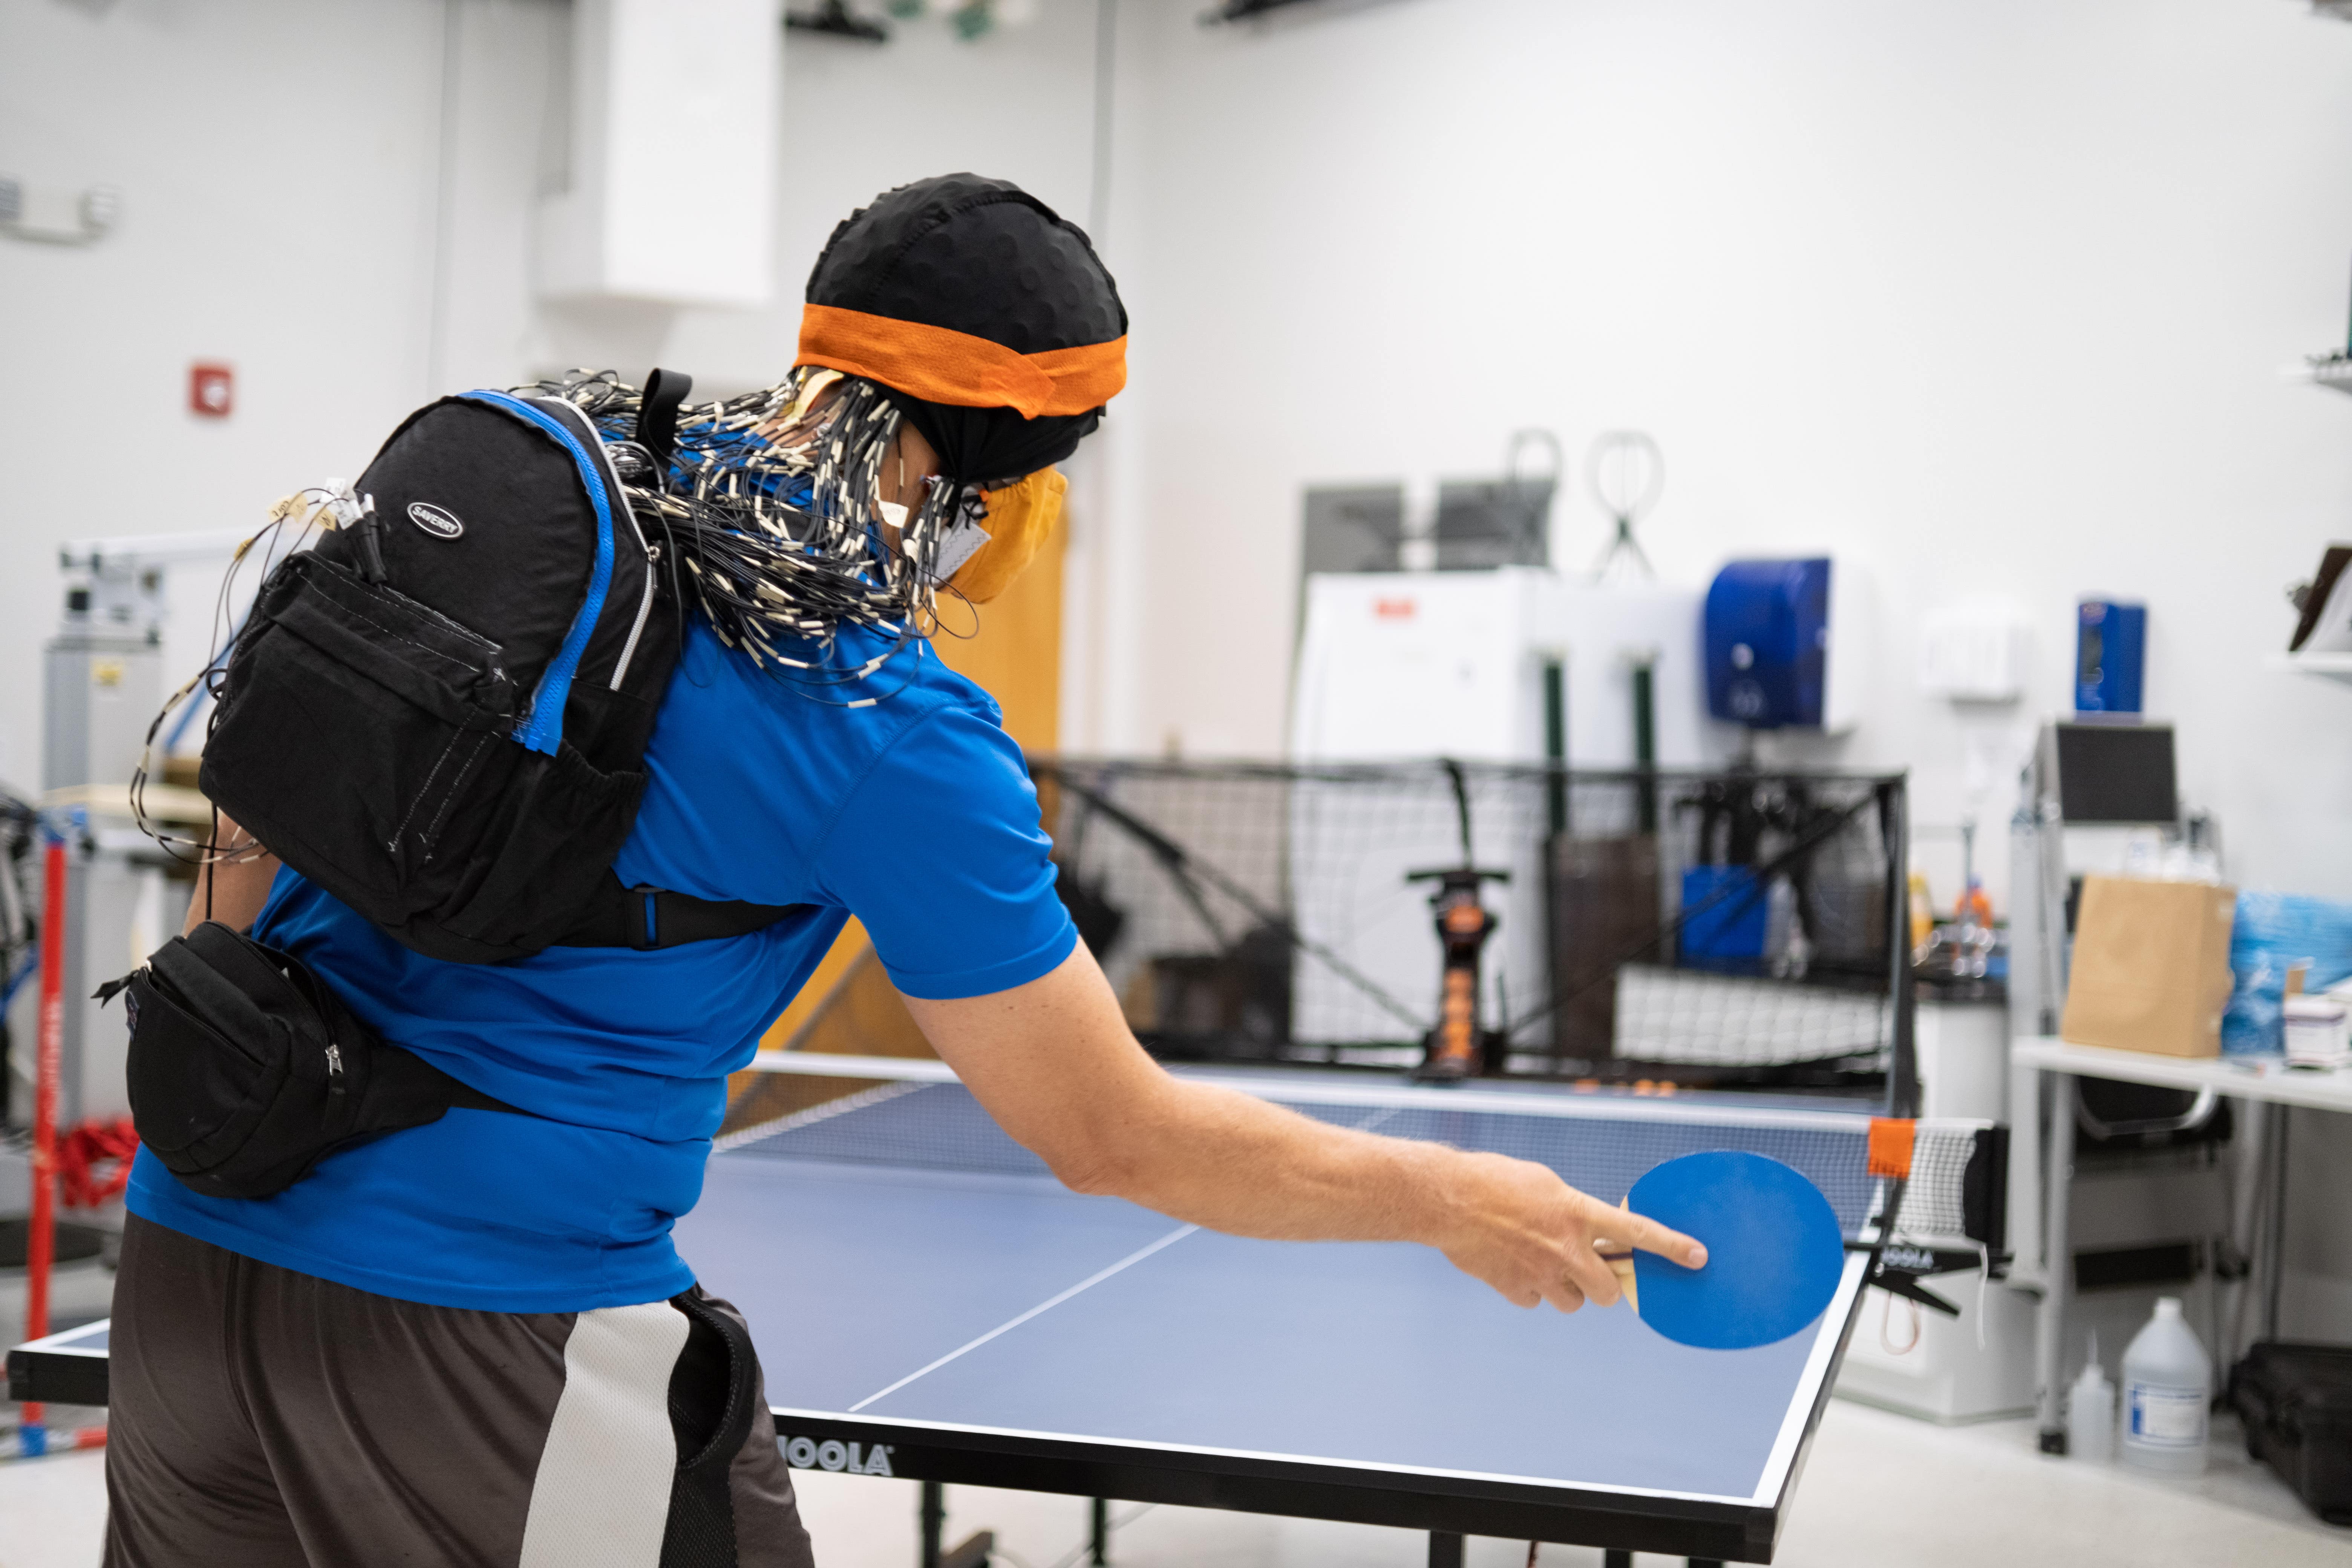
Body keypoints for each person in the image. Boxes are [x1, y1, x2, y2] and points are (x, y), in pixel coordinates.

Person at [102, 174, 1704, 1568]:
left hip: (189, 1265)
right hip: (490, 1323)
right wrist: (1449, 1195)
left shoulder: (516, 515)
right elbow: (1109, 1132)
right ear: (993, 487)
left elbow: (253, 798)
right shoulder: (885, 719)